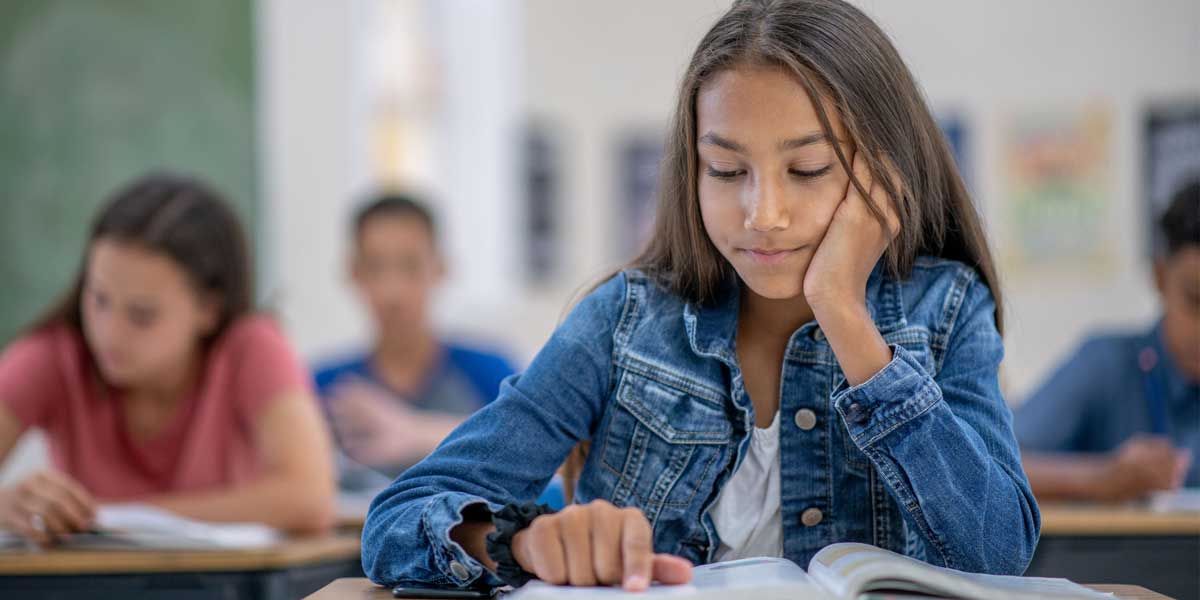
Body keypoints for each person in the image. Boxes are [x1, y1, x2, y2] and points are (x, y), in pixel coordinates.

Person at [362, 0, 1038, 592]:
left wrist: (844, 310)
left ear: (883, 174)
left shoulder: (947, 307)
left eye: (807, 169)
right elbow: (399, 517)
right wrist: (520, 542)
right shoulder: (623, 322)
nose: (762, 213)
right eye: (726, 169)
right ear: (693, 169)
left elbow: (998, 553)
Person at [0, 173, 336, 546]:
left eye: (142, 315)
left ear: (208, 308)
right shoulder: (51, 355)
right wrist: (6, 505)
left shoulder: (251, 348)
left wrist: (115, 517)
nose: (108, 332)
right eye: (98, 299)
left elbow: (309, 497)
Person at [313, 193, 517, 488]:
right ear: (353, 273)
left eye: (410, 266)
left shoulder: (491, 374)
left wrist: (415, 431)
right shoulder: (325, 388)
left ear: (440, 268)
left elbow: (535, 449)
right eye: (375, 267)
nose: (392, 291)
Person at [1016, 181, 1200, 502]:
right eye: (1195, 299)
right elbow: (992, 465)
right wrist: (1099, 479)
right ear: (1159, 277)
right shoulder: (1108, 363)